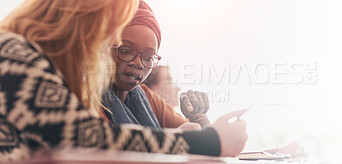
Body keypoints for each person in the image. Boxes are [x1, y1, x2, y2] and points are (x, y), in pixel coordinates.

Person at [0, 0, 247, 160]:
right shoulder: (11, 51)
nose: (113, 43)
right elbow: (89, 139)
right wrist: (207, 141)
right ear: (86, 17)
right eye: (113, 30)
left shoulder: (31, 61)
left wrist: (202, 127)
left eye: (149, 57)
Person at [102, 0, 210, 129]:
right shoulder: (83, 101)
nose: (138, 63)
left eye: (148, 58)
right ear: (104, 47)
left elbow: (207, 141)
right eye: (125, 51)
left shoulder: (146, 96)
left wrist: (197, 116)